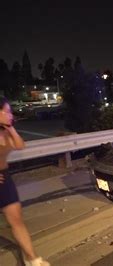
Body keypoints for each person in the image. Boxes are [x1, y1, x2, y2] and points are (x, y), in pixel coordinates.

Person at [0, 97, 50, 266]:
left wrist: (11, 127)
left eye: (10, 111)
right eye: (6, 111)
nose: (10, 114)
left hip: (4, 178)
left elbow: (20, 146)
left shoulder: (6, 131)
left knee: (16, 220)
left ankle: (32, 259)